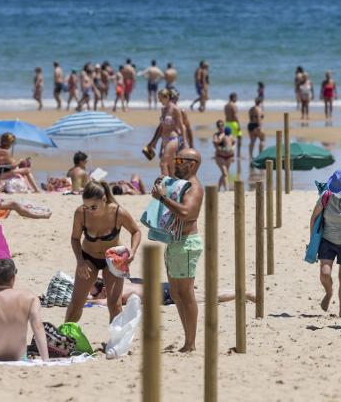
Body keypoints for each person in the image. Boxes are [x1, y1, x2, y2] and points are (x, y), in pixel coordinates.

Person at [151, 148, 204, 352]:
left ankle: (190, 343)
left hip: (186, 243)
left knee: (186, 293)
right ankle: (187, 339)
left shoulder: (195, 188)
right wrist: (162, 185)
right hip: (175, 242)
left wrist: (162, 198)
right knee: (175, 293)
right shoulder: (182, 184)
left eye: (180, 160)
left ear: (192, 164)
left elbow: (186, 212)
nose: (176, 163)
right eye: (175, 159)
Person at [66, 181, 141, 324]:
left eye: (93, 207)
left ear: (104, 199)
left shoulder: (118, 212)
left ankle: (116, 341)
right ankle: (65, 337)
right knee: (77, 303)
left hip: (113, 261)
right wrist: (80, 261)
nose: (89, 210)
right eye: (86, 206)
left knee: (115, 304)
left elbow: (136, 231)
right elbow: (75, 239)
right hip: (88, 259)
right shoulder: (81, 213)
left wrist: (133, 251)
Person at [309, 170, 341, 317]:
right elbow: (314, 218)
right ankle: (329, 292)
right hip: (328, 240)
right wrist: (312, 240)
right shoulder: (326, 196)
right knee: (324, 273)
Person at [88, 277, 255, 306]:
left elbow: (103, 302)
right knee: (208, 293)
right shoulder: (122, 282)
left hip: (166, 294)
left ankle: (244, 293)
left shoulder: (116, 293)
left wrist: (87, 300)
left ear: (104, 290)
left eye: (96, 293)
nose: (95, 296)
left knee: (210, 297)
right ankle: (240, 290)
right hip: (164, 285)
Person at [212, 120, 234, 191]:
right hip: (220, 156)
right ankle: (226, 189)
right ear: (217, 127)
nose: (220, 127)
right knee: (224, 172)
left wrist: (233, 154)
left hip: (229, 156)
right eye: (219, 126)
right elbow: (216, 142)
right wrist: (222, 136)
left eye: (222, 125)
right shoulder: (216, 135)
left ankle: (218, 188)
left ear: (224, 126)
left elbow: (233, 142)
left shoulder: (228, 134)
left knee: (225, 173)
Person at [224, 93, 242, 158]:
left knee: (229, 139)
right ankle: (238, 155)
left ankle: (230, 154)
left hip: (227, 123)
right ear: (233, 98)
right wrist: (239, 124)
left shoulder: (226, 105)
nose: (237, 99)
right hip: (233, 123)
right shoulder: (233, 105)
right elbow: (235, 116)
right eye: (236, 98)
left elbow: (226, 115)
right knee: (239, 138)